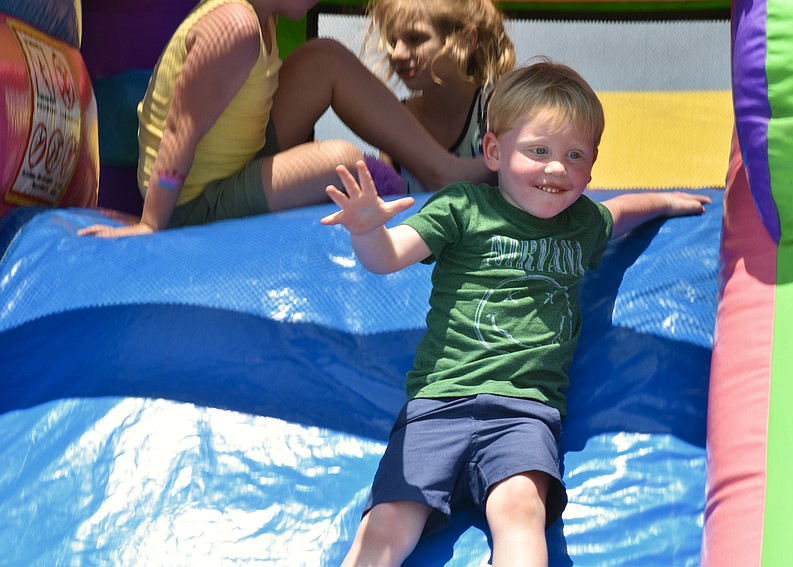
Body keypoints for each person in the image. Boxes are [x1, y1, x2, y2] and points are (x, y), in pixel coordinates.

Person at [321, 60, 711, 566]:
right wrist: (367, 231)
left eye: (575, 155)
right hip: (438, 403)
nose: (556, 168)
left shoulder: (580, 223)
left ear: (592, 166)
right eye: (539, 151)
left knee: (522, 510)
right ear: (494, 150)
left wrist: (666, 200)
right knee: (389, 519)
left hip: (525, 413)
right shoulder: (463, 208)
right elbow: (387, 257)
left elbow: (619, 212)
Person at [78, 0, 491, 238]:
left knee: (323, 59)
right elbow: (177, 132)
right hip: (195, 200)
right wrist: (152, 224)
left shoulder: (262, 15)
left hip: (239, 158)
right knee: (340, 160)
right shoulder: (234, 27)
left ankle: (443, 170)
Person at [364, 0, 515, 193]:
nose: (397, 54)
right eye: (393, 41)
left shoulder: (496, 111)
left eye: (415, 38)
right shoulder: (396, 118)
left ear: (466, 40)